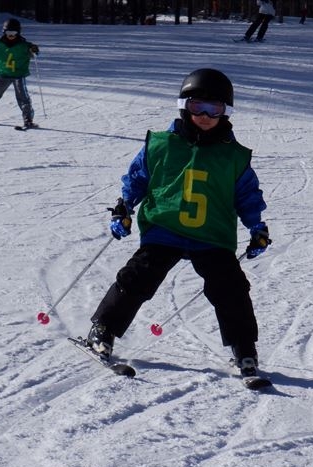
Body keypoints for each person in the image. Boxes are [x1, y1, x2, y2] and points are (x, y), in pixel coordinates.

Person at [85, 68, 272, 377]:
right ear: (184, 106)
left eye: (216, 109)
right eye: (198, 106)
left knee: (231, 288)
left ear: (226, 112)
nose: (206, 115)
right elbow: (136, 178)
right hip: (165, 229)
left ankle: (244, 350)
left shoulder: (234, 156)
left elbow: (247, 195)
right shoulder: (160, 145)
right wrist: (124, 207)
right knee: (137, 276)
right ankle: (103, 330)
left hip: (212, 235)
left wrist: (257, 227)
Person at [0, 18, 40, 128]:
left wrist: (34, 50)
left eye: (13, 33)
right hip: (3, 74)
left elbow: (35, 54)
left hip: (18, 75)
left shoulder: (24, 45)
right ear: (4, 32)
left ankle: (28, 119)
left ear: (18, 33)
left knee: (23, 97)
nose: (10, 35)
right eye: (8, 33)